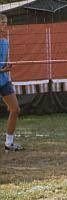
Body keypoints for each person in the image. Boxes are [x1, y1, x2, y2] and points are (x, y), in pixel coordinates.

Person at [0, 14, 23, 152]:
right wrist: (3, 69)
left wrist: (7, 68)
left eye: (6, 22)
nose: (4, 25)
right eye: (2, 22)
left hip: (4, 81)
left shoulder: (6, 41)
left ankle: (9, 143)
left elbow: (4, 63)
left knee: (15, 109)